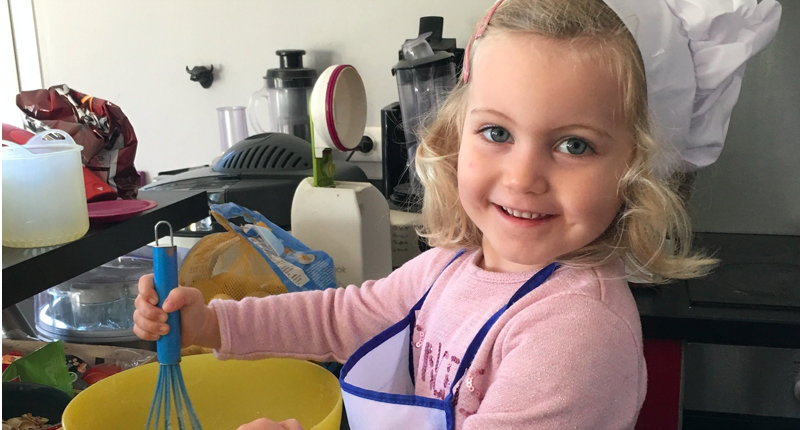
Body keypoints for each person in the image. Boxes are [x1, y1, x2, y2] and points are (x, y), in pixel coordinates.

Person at [134, 0, 780, 428]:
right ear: (452, 138)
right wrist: (211, 325)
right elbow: (346, 315)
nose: (524, 176)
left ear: (631, 169)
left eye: (573, 144)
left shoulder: (572, 332)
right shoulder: (450, 268)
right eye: (497, 133)